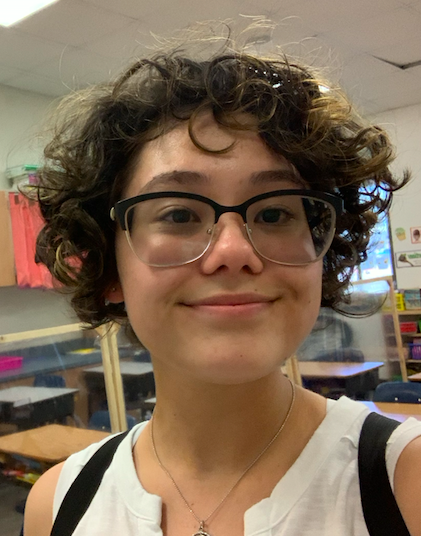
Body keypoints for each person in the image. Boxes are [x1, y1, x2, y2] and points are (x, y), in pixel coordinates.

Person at [24, 26, 421, 536]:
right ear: (108, 267)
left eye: (274, 214)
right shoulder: (57, 506)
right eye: (178, 215)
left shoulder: (406, 486)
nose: (233, 252)